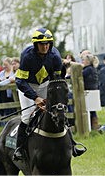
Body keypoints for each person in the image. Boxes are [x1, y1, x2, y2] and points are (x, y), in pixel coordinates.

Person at [14, 27, 85, 160]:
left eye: (47, 43)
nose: (45, 46)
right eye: (42, 44)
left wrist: (55, 96)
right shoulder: (27, 56)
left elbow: (57, 79)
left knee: (59, 112)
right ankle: (20, 149)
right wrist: (35, 98)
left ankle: (73, 145)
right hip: (28, 86)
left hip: (46, 85)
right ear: (36, 45)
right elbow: (20, 81)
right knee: (27, 117)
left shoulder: (55, 56)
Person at [81, 53, 100, 131]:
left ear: (88, 61)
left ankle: (90, 127)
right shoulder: (92, 68)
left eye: (84, 60)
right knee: (92, 110)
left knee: (89, 110)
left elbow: (80, 75)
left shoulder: (88, 69)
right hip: (93, 91)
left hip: (89, 92)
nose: (83, 62)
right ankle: (94, 126)